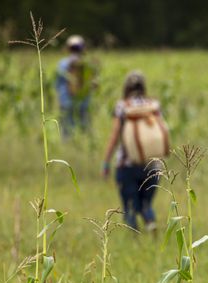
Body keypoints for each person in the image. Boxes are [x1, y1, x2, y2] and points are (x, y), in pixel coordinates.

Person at [101, 71, 169, 232]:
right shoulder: (154, 105)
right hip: (153, 165)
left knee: (130, 205)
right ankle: (150, 221)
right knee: (146, 203)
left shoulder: (122, 106)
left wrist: (106, 163)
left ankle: (134, 238)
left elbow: (115, 136)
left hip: (127, 165)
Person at [55, 34, 97, 137]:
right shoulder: (88, 64)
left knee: (66, 131)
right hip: (84, 103)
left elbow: (57, 85)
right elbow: (94, 84)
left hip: (66, 102)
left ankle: (68, 151)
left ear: (68, 48)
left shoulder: (62, 64)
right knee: (85, 130)